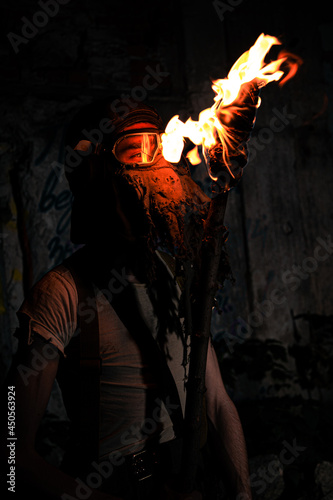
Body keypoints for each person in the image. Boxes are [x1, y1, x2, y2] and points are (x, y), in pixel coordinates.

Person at [3, 93, 258, 499]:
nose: (153, 166)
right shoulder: (61, 294)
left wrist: (242, 492)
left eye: (156, 146)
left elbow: (218, 403)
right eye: (131, 151)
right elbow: (12, 455)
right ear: (97, 173)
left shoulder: (178, 275)